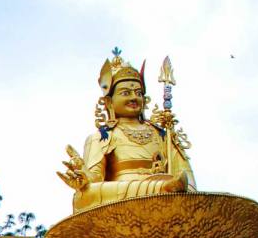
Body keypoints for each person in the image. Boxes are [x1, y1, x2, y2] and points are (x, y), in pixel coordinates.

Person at [57, 49, 195, 213]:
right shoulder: (102, 137)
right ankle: (161, 189)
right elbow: (94, 182)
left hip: (170, 197)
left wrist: (188, 192)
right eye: (125, 93)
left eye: (138, 93)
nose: (133, 98)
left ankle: (164, 189)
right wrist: (84, 177)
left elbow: (187, 181)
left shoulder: (163, 134)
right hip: (121, 199)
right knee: (85, 194)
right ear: (109, 102)